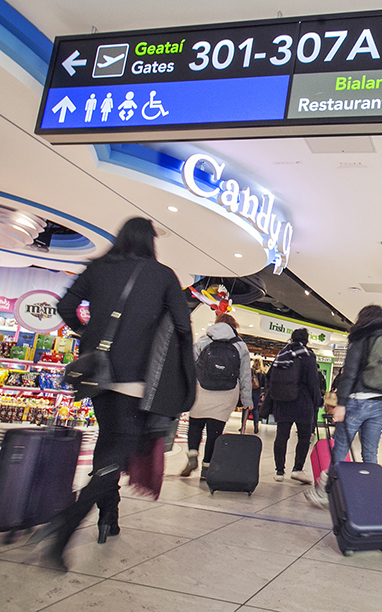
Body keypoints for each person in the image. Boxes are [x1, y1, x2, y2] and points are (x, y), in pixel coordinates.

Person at [43, 217, 194, 569]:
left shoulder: (98, 268)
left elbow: (65, 307)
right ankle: (64, 526)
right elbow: (183, 326)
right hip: (134, 381)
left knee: (108, 444)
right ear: (150, 242)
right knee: (115, 457)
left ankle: (108, 515)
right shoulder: (162, 276)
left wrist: (88, 334)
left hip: (98, 377)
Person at [305, 304, 382, 507]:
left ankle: (326, 493)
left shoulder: (361, 338)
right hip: (381, 404)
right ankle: (369, 494)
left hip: (358, 402)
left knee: (340, 448)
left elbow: (349, 373)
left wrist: (342, 404)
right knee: (370, 452)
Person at [181, 313, 252, 479]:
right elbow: (245, 376)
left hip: (201, 389)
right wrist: (247, 401)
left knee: (196, 423)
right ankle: (207, 467)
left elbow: (190, 366)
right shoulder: (241, 346)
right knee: (215, 430)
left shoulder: (204, 340)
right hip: (226, 393)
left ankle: (192, 454)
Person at [264, 328, 322, 483]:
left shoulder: (282, 354)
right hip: (303, 402)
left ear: (291, 338)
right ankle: (297, 469)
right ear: (306, 340)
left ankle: (279, 471)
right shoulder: (308, 355)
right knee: (304, 437)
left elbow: (269, 377)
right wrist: (318, 401)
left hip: (282, 401)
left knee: (281, 436)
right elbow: (313, 382)